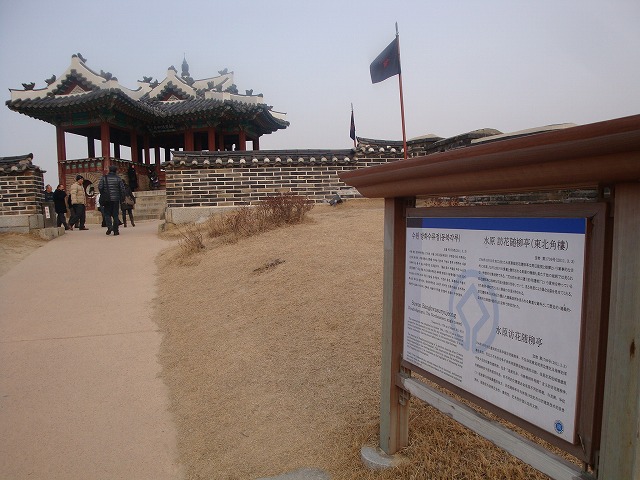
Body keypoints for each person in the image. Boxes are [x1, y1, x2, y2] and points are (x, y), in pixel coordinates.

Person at [98, 165, 126, 236]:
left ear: (109, 170)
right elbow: (122, 189)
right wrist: (122, 198)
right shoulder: (118, 179)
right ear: (116, 171)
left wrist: (104, 194)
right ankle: (116, 230)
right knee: (115, 215)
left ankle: (110, 227)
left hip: (107, 199)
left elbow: (100, 187)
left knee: (107, 214)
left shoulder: (104, 178)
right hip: (116, 199)